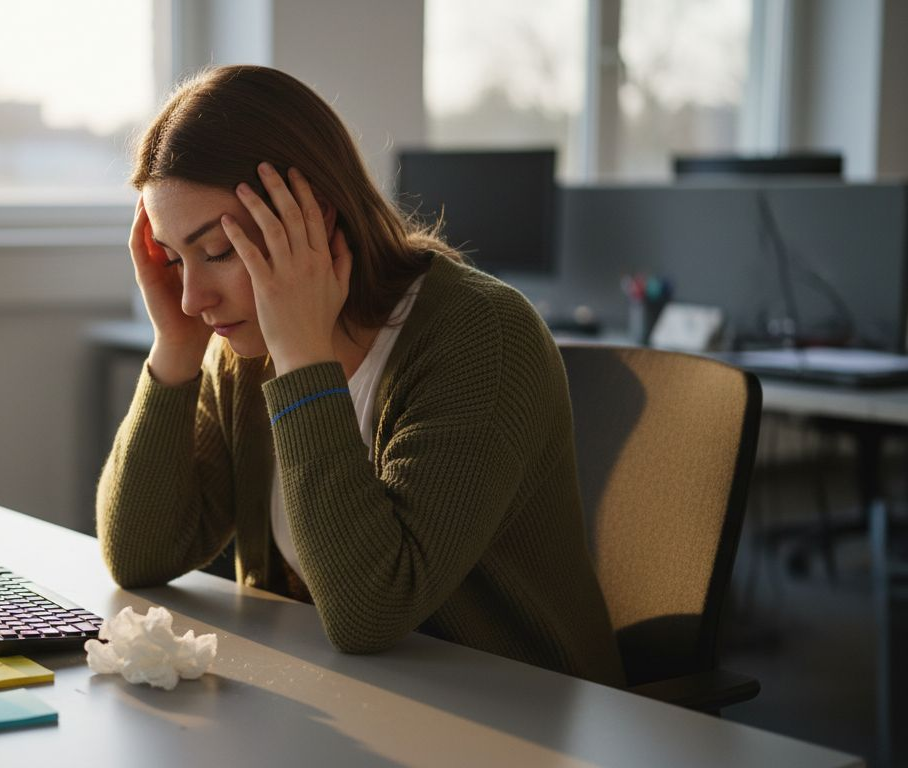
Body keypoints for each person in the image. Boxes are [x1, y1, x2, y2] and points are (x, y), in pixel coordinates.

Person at [96, 64, 625, 686]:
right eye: (175, 258)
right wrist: (175, 348)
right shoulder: (239, 349)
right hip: (342, 699)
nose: (192, 297)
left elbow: (372, 610)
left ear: (313, 218)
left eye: (217, 252)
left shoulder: (482, 335)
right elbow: (139, 556)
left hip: (509, 716)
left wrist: (302, 361)